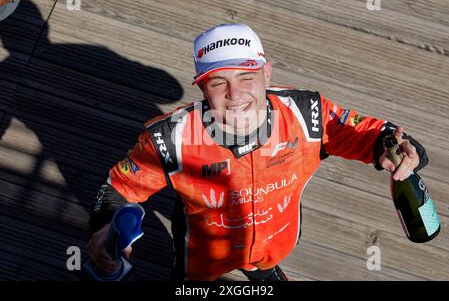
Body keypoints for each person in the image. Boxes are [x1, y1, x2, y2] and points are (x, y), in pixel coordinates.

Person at [87, 23, 428, 281]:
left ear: (267, 71)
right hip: (203, 258)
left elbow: (367, 133)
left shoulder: (307, 113)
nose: (234, 95)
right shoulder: (170, 138)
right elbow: (115, 189)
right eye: (218, 82)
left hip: (273, 248)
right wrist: (105, 228)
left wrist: (397, 148)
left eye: (246, 76)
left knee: (263, 270)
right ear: (202, 87)